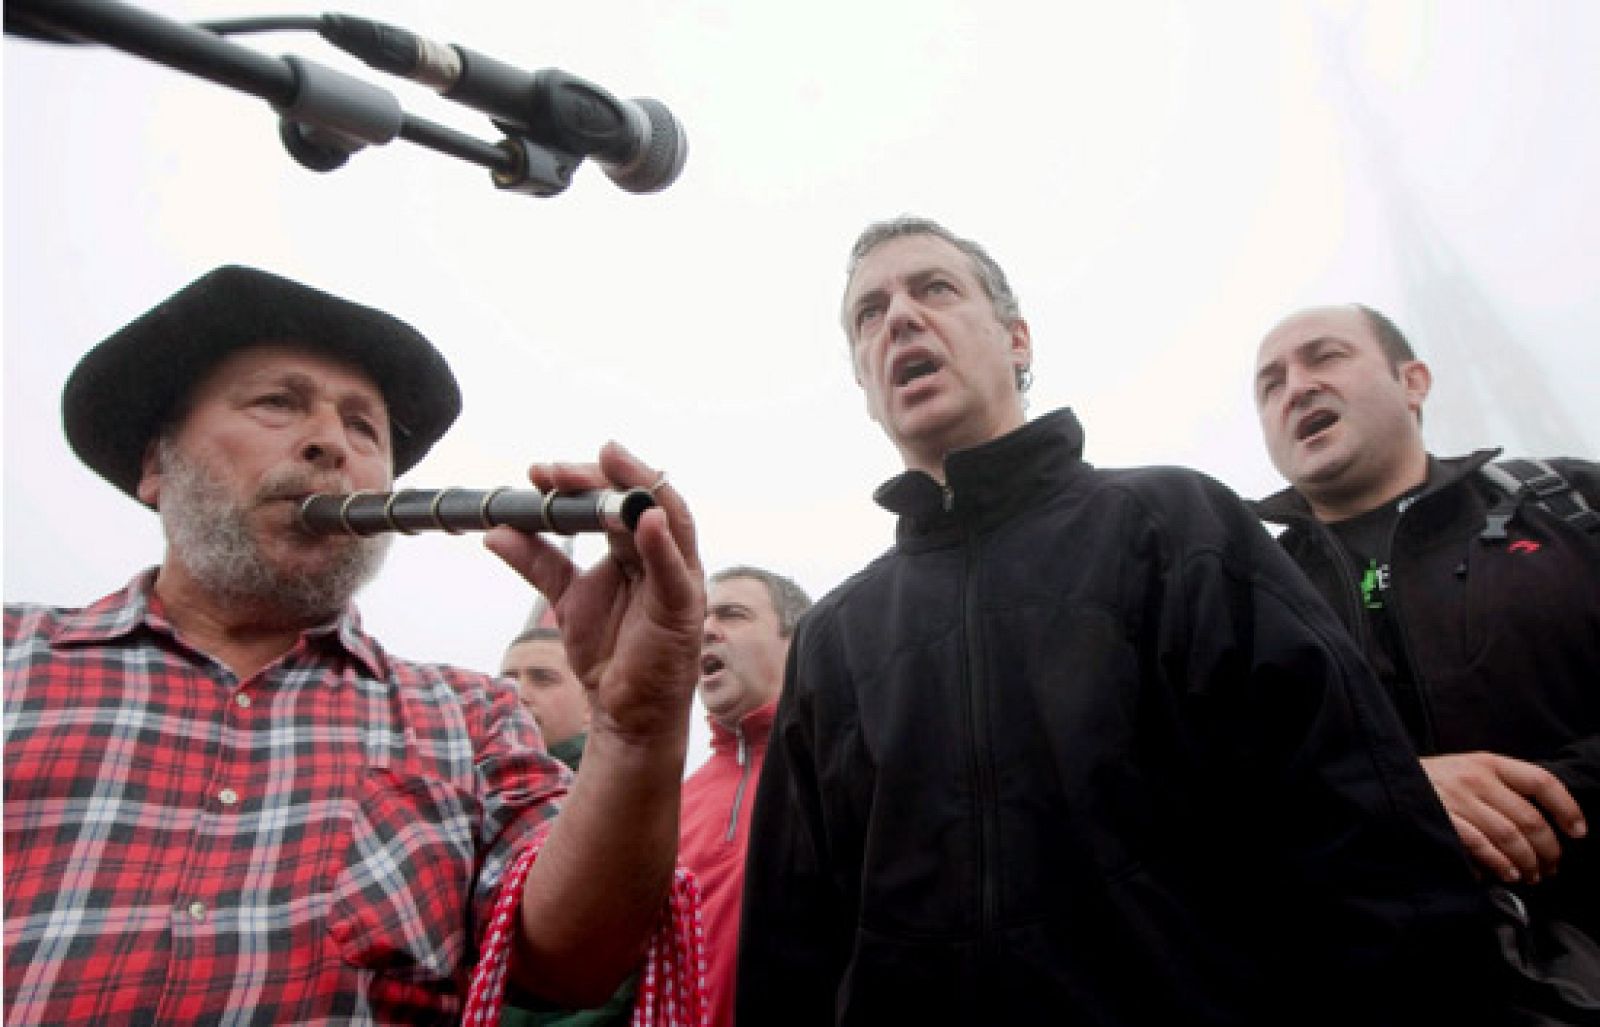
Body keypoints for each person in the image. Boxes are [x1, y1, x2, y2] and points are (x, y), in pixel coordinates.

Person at [736, 216, 1500, 1025]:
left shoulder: (1175, 525)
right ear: (863, 382)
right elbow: (793, 953)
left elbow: (1362, 834)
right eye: (869, 313)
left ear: (1017, 340)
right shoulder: (832, 641)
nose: (899, 319)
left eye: (935, 288)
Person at [3, 266, 706, 1025]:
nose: (331, 444)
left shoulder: (470, 717)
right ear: (154, 464)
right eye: (279, 401)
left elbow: (572, 963)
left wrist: (636, 727)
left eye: (363, 428)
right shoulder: (16, 659)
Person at [1251, 302, 1598, 1018]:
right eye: (1271, 383)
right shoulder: (1241, 601)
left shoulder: (1569, 506)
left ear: (1413, 380)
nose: (1297, 387)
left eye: (1326, 356)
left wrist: (1542, 799)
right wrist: (1402, 792)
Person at [679, 565, 811, 1027]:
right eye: (700, 622)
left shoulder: (847, 778)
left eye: (731, 615)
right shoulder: (668, 807)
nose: (707, 631)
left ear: (797, 641)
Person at [502, 626, 595, 772]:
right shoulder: (470, 778)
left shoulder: (624, 783)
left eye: (542, 679)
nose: (518, 694)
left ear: (590, 705)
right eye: (507, 682)